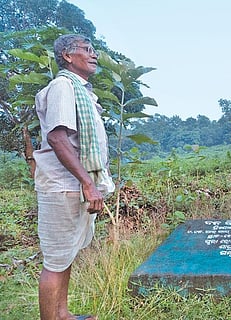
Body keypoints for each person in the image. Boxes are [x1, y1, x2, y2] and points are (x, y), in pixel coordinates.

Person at [33, 34, 114, 320]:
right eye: (87, 50)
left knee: (67, 254)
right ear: (67, 56)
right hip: (64, 187)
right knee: (55, 261)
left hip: (74, 186)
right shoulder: (63, 87)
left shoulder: (80, 91)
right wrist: (88, 183)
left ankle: (62, 315)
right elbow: (57, 137)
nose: (94, 55)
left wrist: (87, 184)